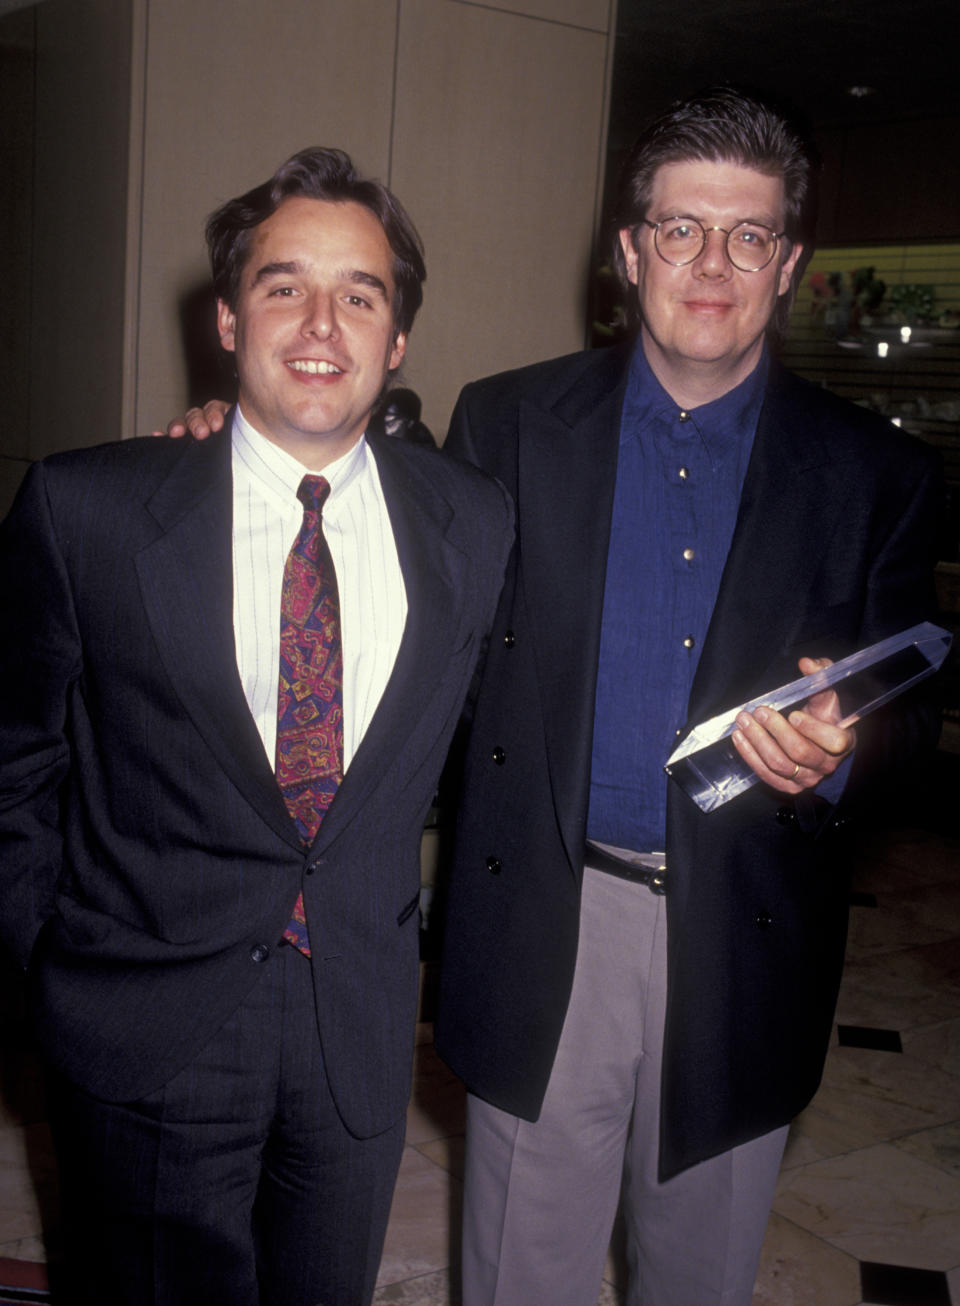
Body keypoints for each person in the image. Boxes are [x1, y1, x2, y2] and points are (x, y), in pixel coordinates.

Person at [161, 89, 942, 1305]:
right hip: (545, 921)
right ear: (629, 251)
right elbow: (382, 541)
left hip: (746, 942)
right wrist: (240, 438)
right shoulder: (511, 422)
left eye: (748, 234)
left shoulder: (876, 472)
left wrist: (845, 751)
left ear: (787, 262)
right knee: (520, 1271)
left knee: (701, 1277)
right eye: (681, 229)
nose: (712, 262)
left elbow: (916, 730)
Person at [0, 146, 512, 1306]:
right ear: (228, 320)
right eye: (285, 285)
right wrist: (59, 960)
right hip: (143, 1026)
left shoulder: (476, 526)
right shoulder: (88, 509)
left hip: (359, 1033)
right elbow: (13, 764)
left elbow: (507, 748)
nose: (322, 320)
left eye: (361, 293)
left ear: (399, 339)